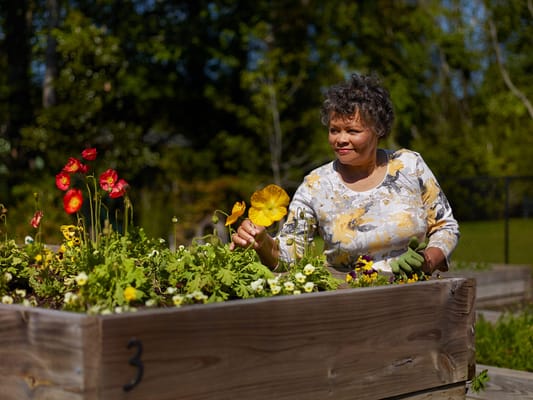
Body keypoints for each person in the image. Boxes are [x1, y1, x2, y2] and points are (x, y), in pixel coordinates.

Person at [230, 73, 459, 277]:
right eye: (334, 130)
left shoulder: (409, 165)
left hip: (414, 290)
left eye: (352, 130)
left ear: (378, 129)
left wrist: (427, 260)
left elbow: (445, 227)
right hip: (348, 298)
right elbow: (291, 255)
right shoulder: (316, 185)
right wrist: (261, 242)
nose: (340, 139)